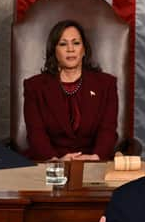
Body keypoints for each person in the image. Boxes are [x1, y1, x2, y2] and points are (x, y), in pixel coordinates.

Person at [23, 20, 118, 161]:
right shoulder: (35, 87)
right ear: (54, 51)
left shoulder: (106, 84)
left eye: (76, 43)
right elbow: (36, 133)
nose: (70, 49)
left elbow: (108, 129)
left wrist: (95, 158)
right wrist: (55, 161)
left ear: (84, 49)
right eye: (63, 44)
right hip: (50, 164)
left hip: (94, 162)